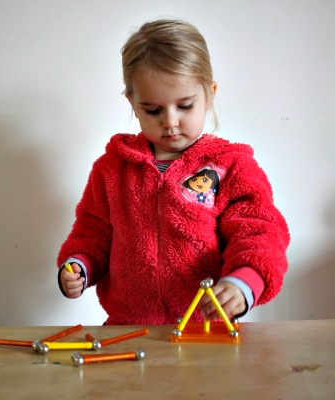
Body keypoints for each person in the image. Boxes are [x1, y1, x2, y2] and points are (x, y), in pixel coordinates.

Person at [56, 19, 289, 325]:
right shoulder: (112, 169)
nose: (170, 121)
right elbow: (93, 231)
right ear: (133, 103)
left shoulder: (231, 167)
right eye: (153, 110)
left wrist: (244, 282)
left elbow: (260, 232)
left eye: (185, 106)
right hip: (130, 329)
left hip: (206, 330)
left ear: (209, 94)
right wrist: (79, 265)